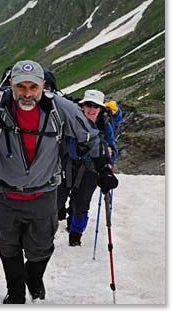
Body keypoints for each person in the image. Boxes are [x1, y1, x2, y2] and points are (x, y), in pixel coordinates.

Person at [0, 61, 118, 304]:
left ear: (42, 86)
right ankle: (16, 292)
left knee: (41, 248)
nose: (27, 94)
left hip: (44, 195)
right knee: (8, 248)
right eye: (21, 87)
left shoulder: (61, 109)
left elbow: (90, 136)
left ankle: (34, 279)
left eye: (33, 87)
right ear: (11, 86)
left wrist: (103, 168)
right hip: (4, 196)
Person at [57, 89, 119, 247]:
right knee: (56, 199)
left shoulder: (105, 125)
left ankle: (75, 234)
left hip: (90, 169)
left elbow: (112, 147)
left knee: (81, 204)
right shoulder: (72, 119)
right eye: (88, 105)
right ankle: (56, 220)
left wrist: (108, 159)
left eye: (95, 106)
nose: (91, 109)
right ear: (82, 106)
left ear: (101, 109)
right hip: (67, 164)